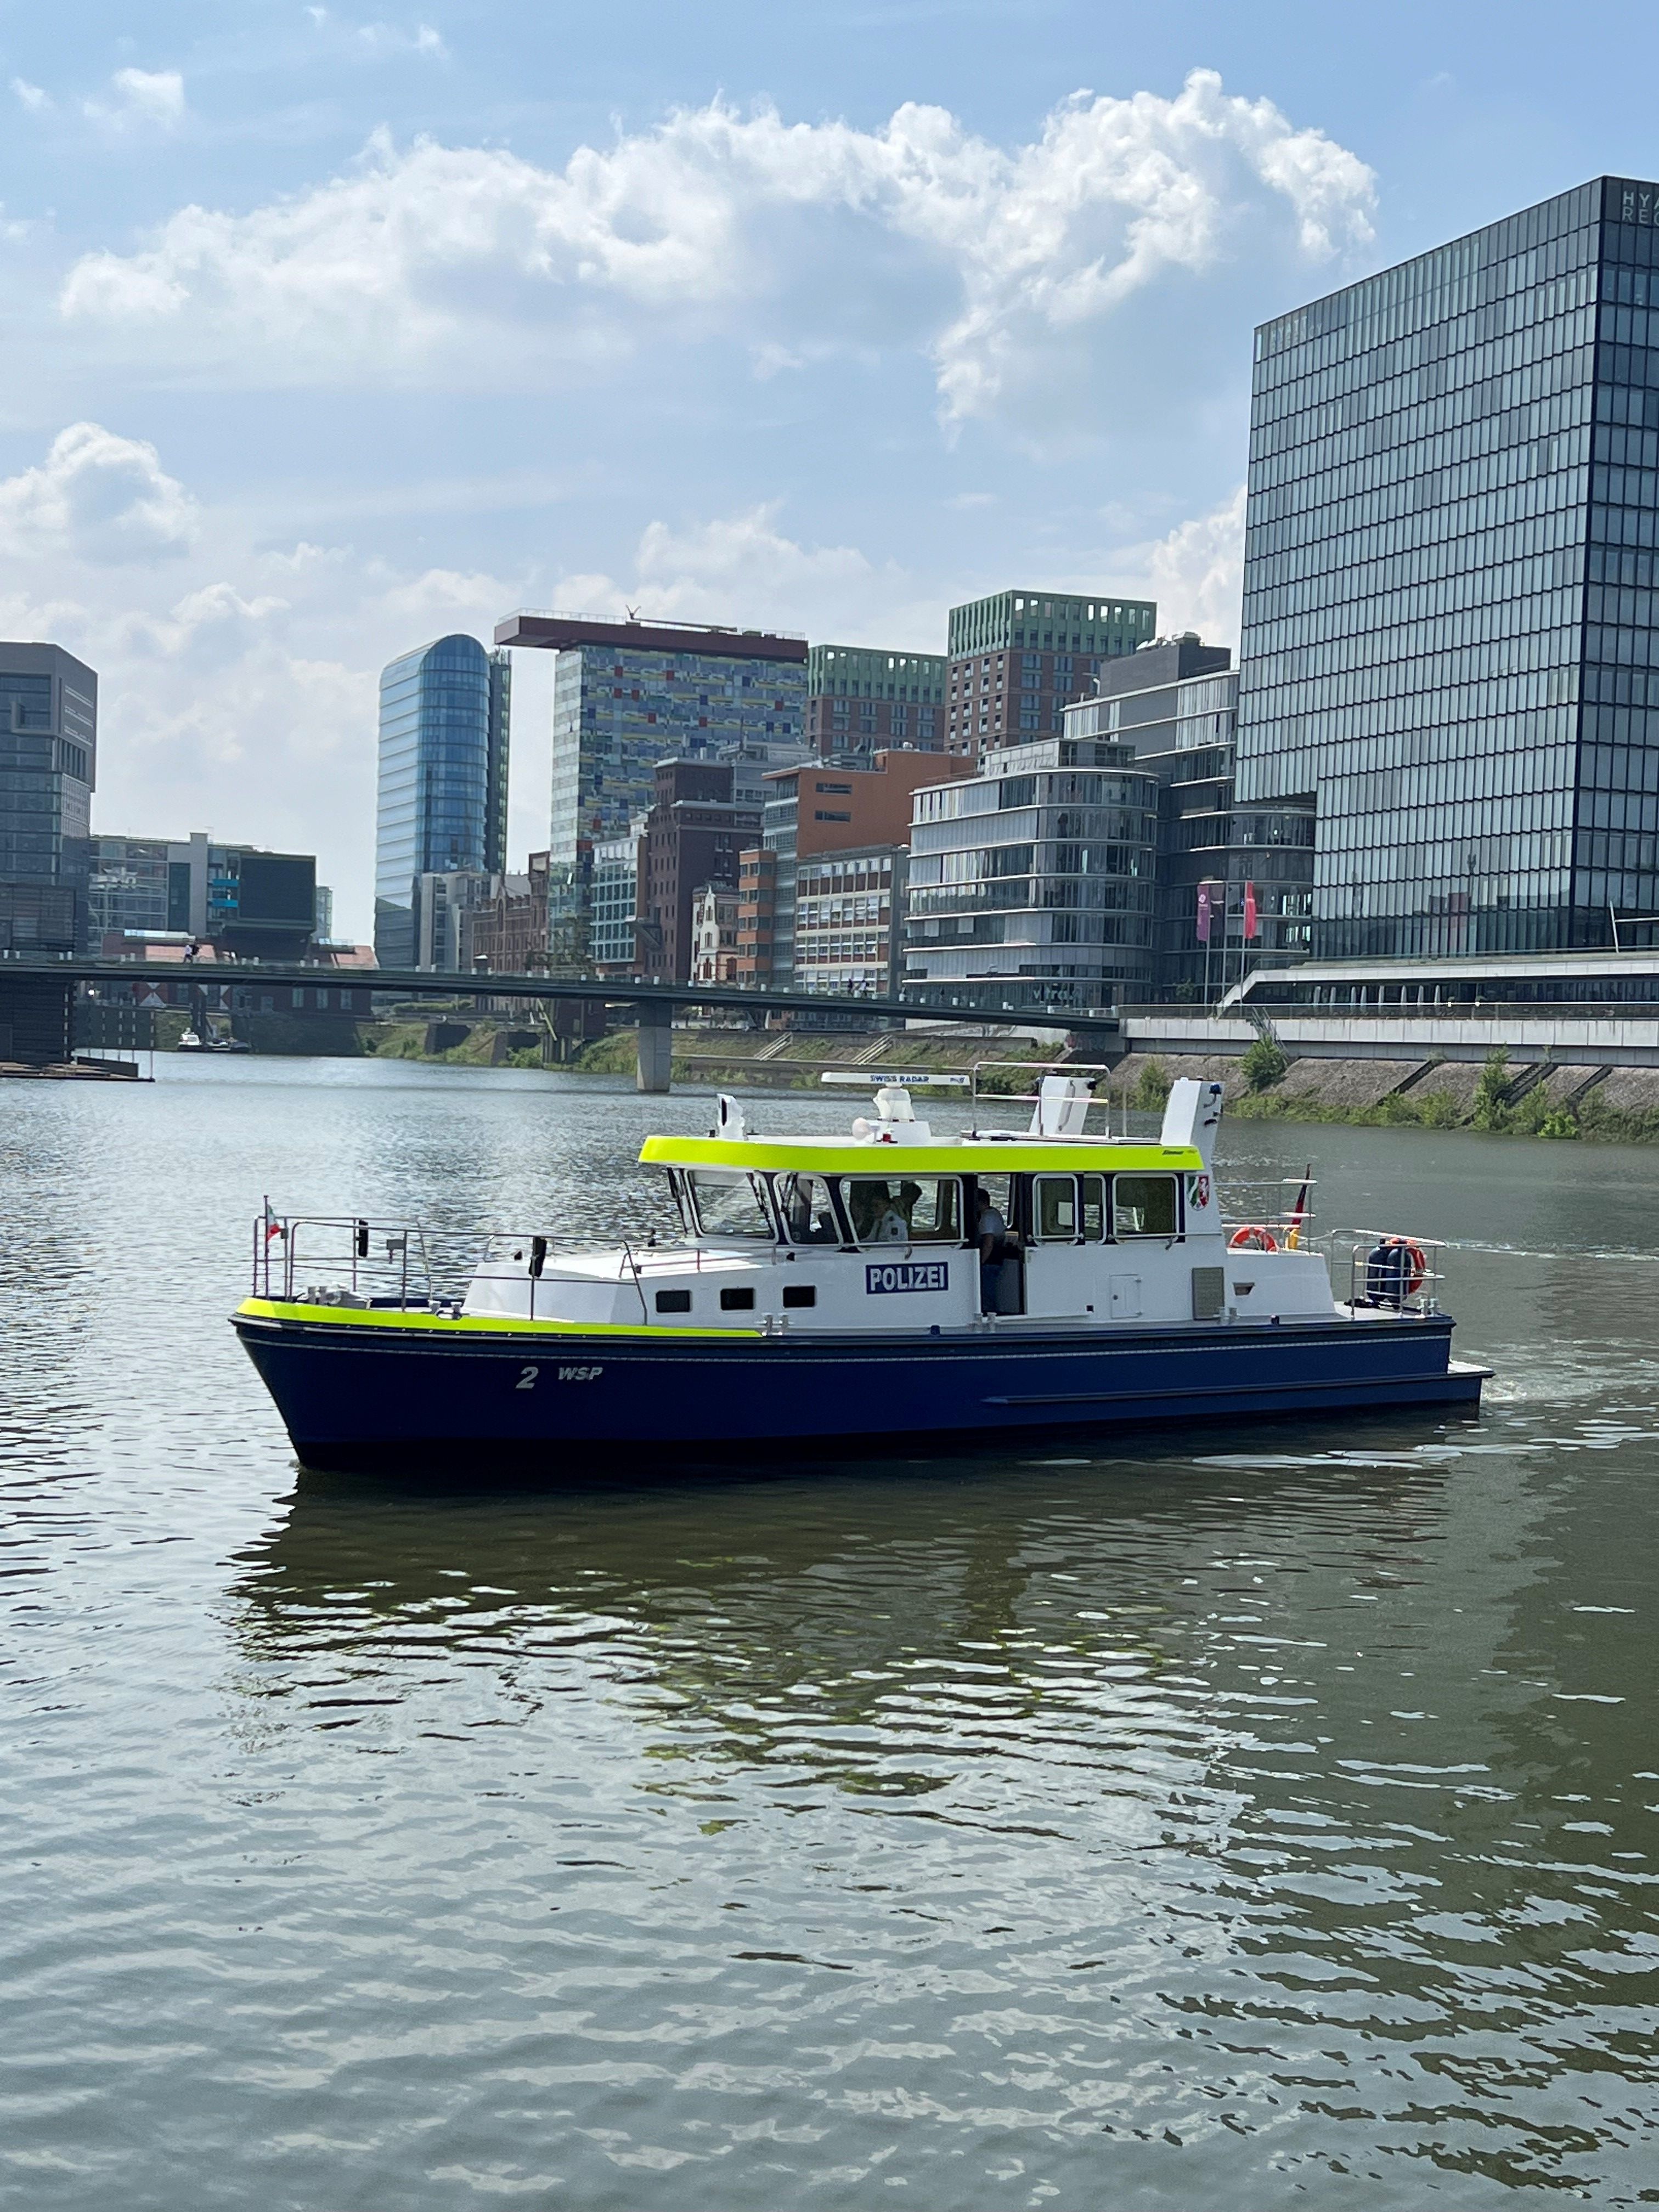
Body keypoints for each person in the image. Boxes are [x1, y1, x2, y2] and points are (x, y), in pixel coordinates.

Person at [969, 1182, 1008, 1311]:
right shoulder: (995, 1213)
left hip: (990, 1261)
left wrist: (980, 1263)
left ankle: (990, 1314)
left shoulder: (987, 1218)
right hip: (997, 1259)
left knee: (987, 1291)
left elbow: (988, 1243)